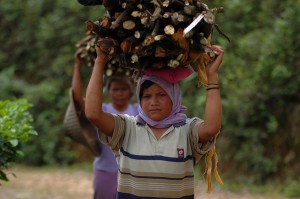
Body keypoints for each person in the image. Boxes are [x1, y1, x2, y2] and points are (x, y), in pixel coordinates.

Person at [85, 38, 224, 199]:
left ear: (174, 97)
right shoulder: (127, 128)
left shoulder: (187, 130)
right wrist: (100, 61)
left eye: (161, 94)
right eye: (147, 96)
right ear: (139, 99)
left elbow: (212, 128)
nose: (153, 102)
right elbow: (93, 114)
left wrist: (212, 76)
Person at [71, 50, 138, 199]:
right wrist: (77, 66)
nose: (119, 93)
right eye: (115, 89)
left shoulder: (137, 111)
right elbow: (77, 99)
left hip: (133, 173)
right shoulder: (102, 111)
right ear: (109, 91)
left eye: (123, 89)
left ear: (130, 91)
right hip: (105, 171)